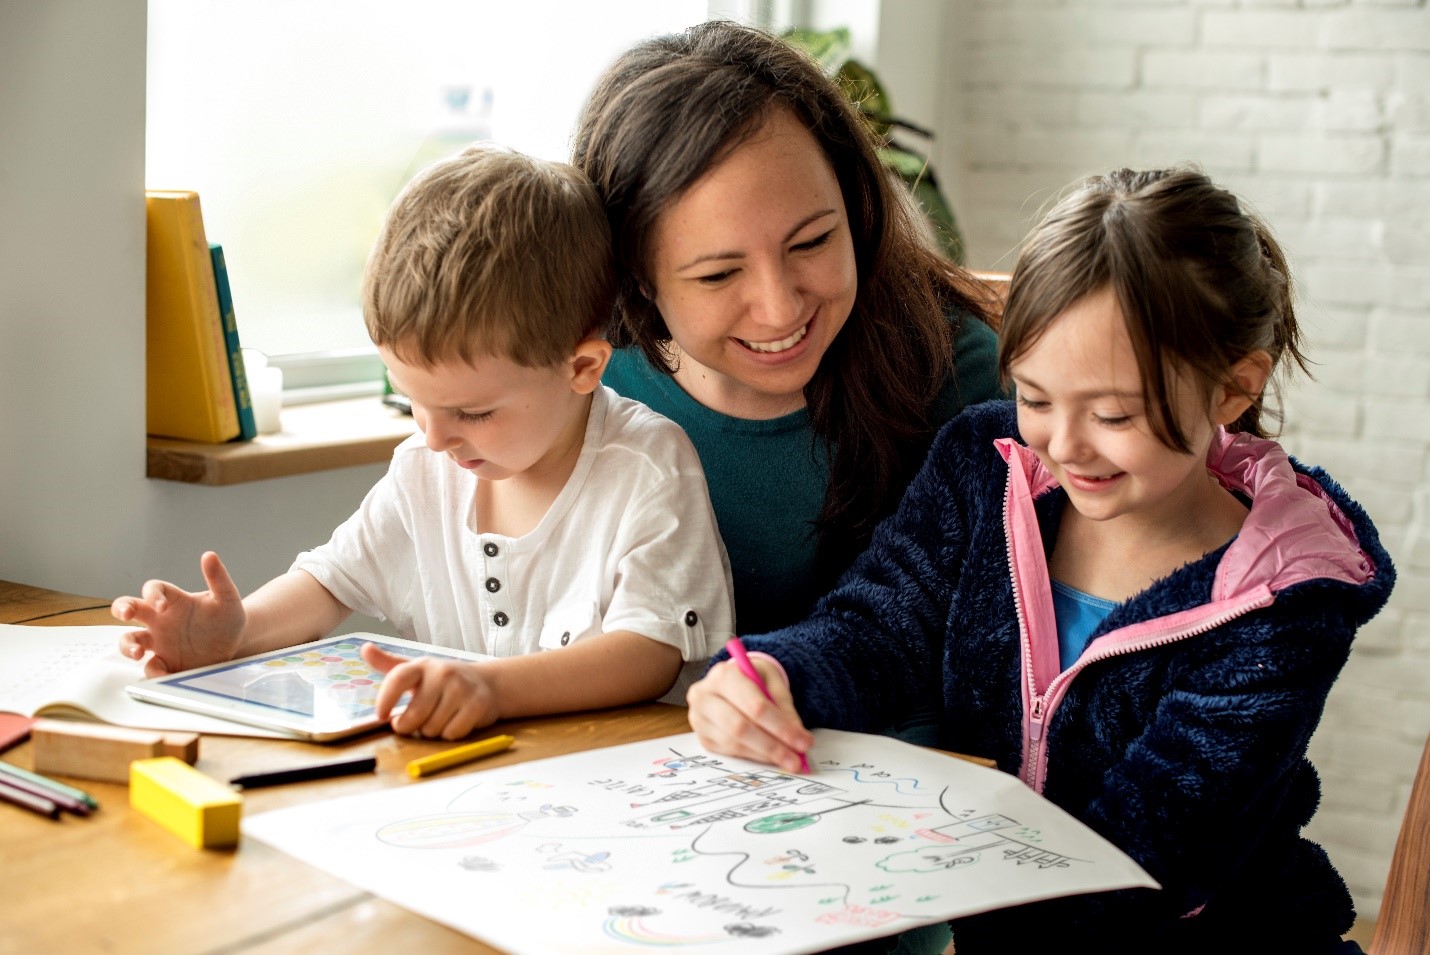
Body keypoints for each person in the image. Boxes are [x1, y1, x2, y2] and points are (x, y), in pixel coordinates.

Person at [686, 167, 1395, 953]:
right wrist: (774, 676)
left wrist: (925, 879)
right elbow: (877, 626)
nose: (1065, 443)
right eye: (1036, 396)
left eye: (1115, 412)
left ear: (1232, 391)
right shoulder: (985, 468)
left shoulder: (1283, 601)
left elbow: (1152, 851)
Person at [112, 144, 735, 740]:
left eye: (472, 411)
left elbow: (648, 652)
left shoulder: (648, 466)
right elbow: (332, 583)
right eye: (413, 400)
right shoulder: (424, 469)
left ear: (582, 368)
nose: (433, 437)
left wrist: (490, 688)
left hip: (623, 788)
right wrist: (238, 632)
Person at [573, 20, 1004, 638]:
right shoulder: (587, 379)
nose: (779, 310)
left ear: (855, 205)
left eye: (812, 242)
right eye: (720, 275)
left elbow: (978, 653)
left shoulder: (952, 370)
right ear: (638, 277)